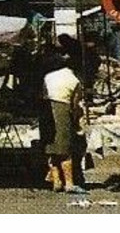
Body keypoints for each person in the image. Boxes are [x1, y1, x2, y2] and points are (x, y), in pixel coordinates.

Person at [42, 52, 87, 194]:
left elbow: (43, 94)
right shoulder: (74, 80)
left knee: (52, 148)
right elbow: (75, 104)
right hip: (62, 110)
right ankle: (69, 183)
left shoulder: (48, 76)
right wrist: (76, 120)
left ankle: (56, 181)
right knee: (65, 149)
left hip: (46, 110)